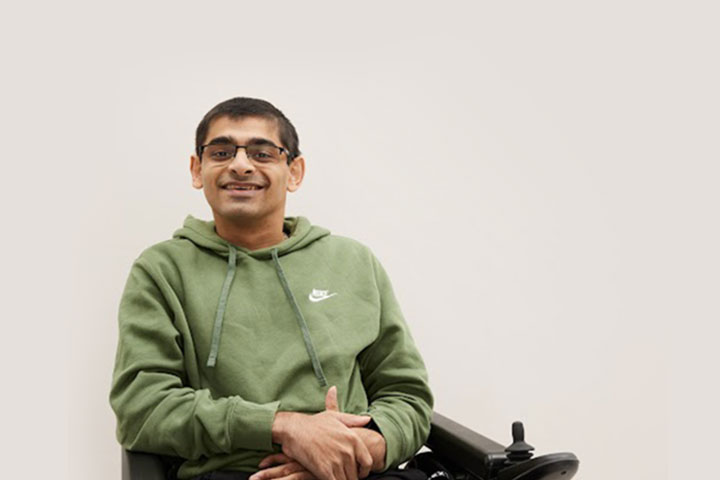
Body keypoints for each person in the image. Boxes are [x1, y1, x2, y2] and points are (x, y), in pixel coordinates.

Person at [110, 97, 434, 480]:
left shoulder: (354, 262)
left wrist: (352, 453)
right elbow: (142, 408)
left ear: (294, 172)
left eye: (263, 153)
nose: (241, 164)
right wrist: (283, 426)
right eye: (222, 151)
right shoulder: (161, 270)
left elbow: (408, 396)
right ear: (198, 170)